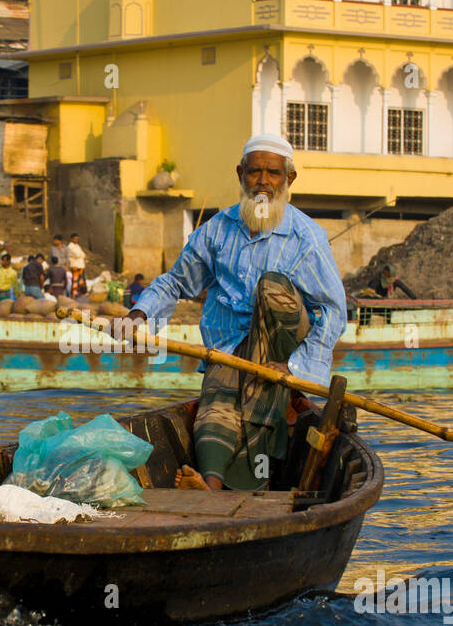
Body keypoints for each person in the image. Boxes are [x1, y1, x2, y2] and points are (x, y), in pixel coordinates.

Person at [118, 132, 347, 492]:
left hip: (281, 351)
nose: (263, 182)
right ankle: (210, 486)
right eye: (255, 172)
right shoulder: (216, 231)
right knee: (214, 411)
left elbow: (334, 311)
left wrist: (296, 368)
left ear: (289, 179)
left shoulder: (307, 237)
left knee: (272, 287)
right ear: (241, 174)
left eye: (273, 173)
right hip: (228, 349)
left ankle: (245, 472)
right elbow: (176, 282)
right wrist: (139, 315)